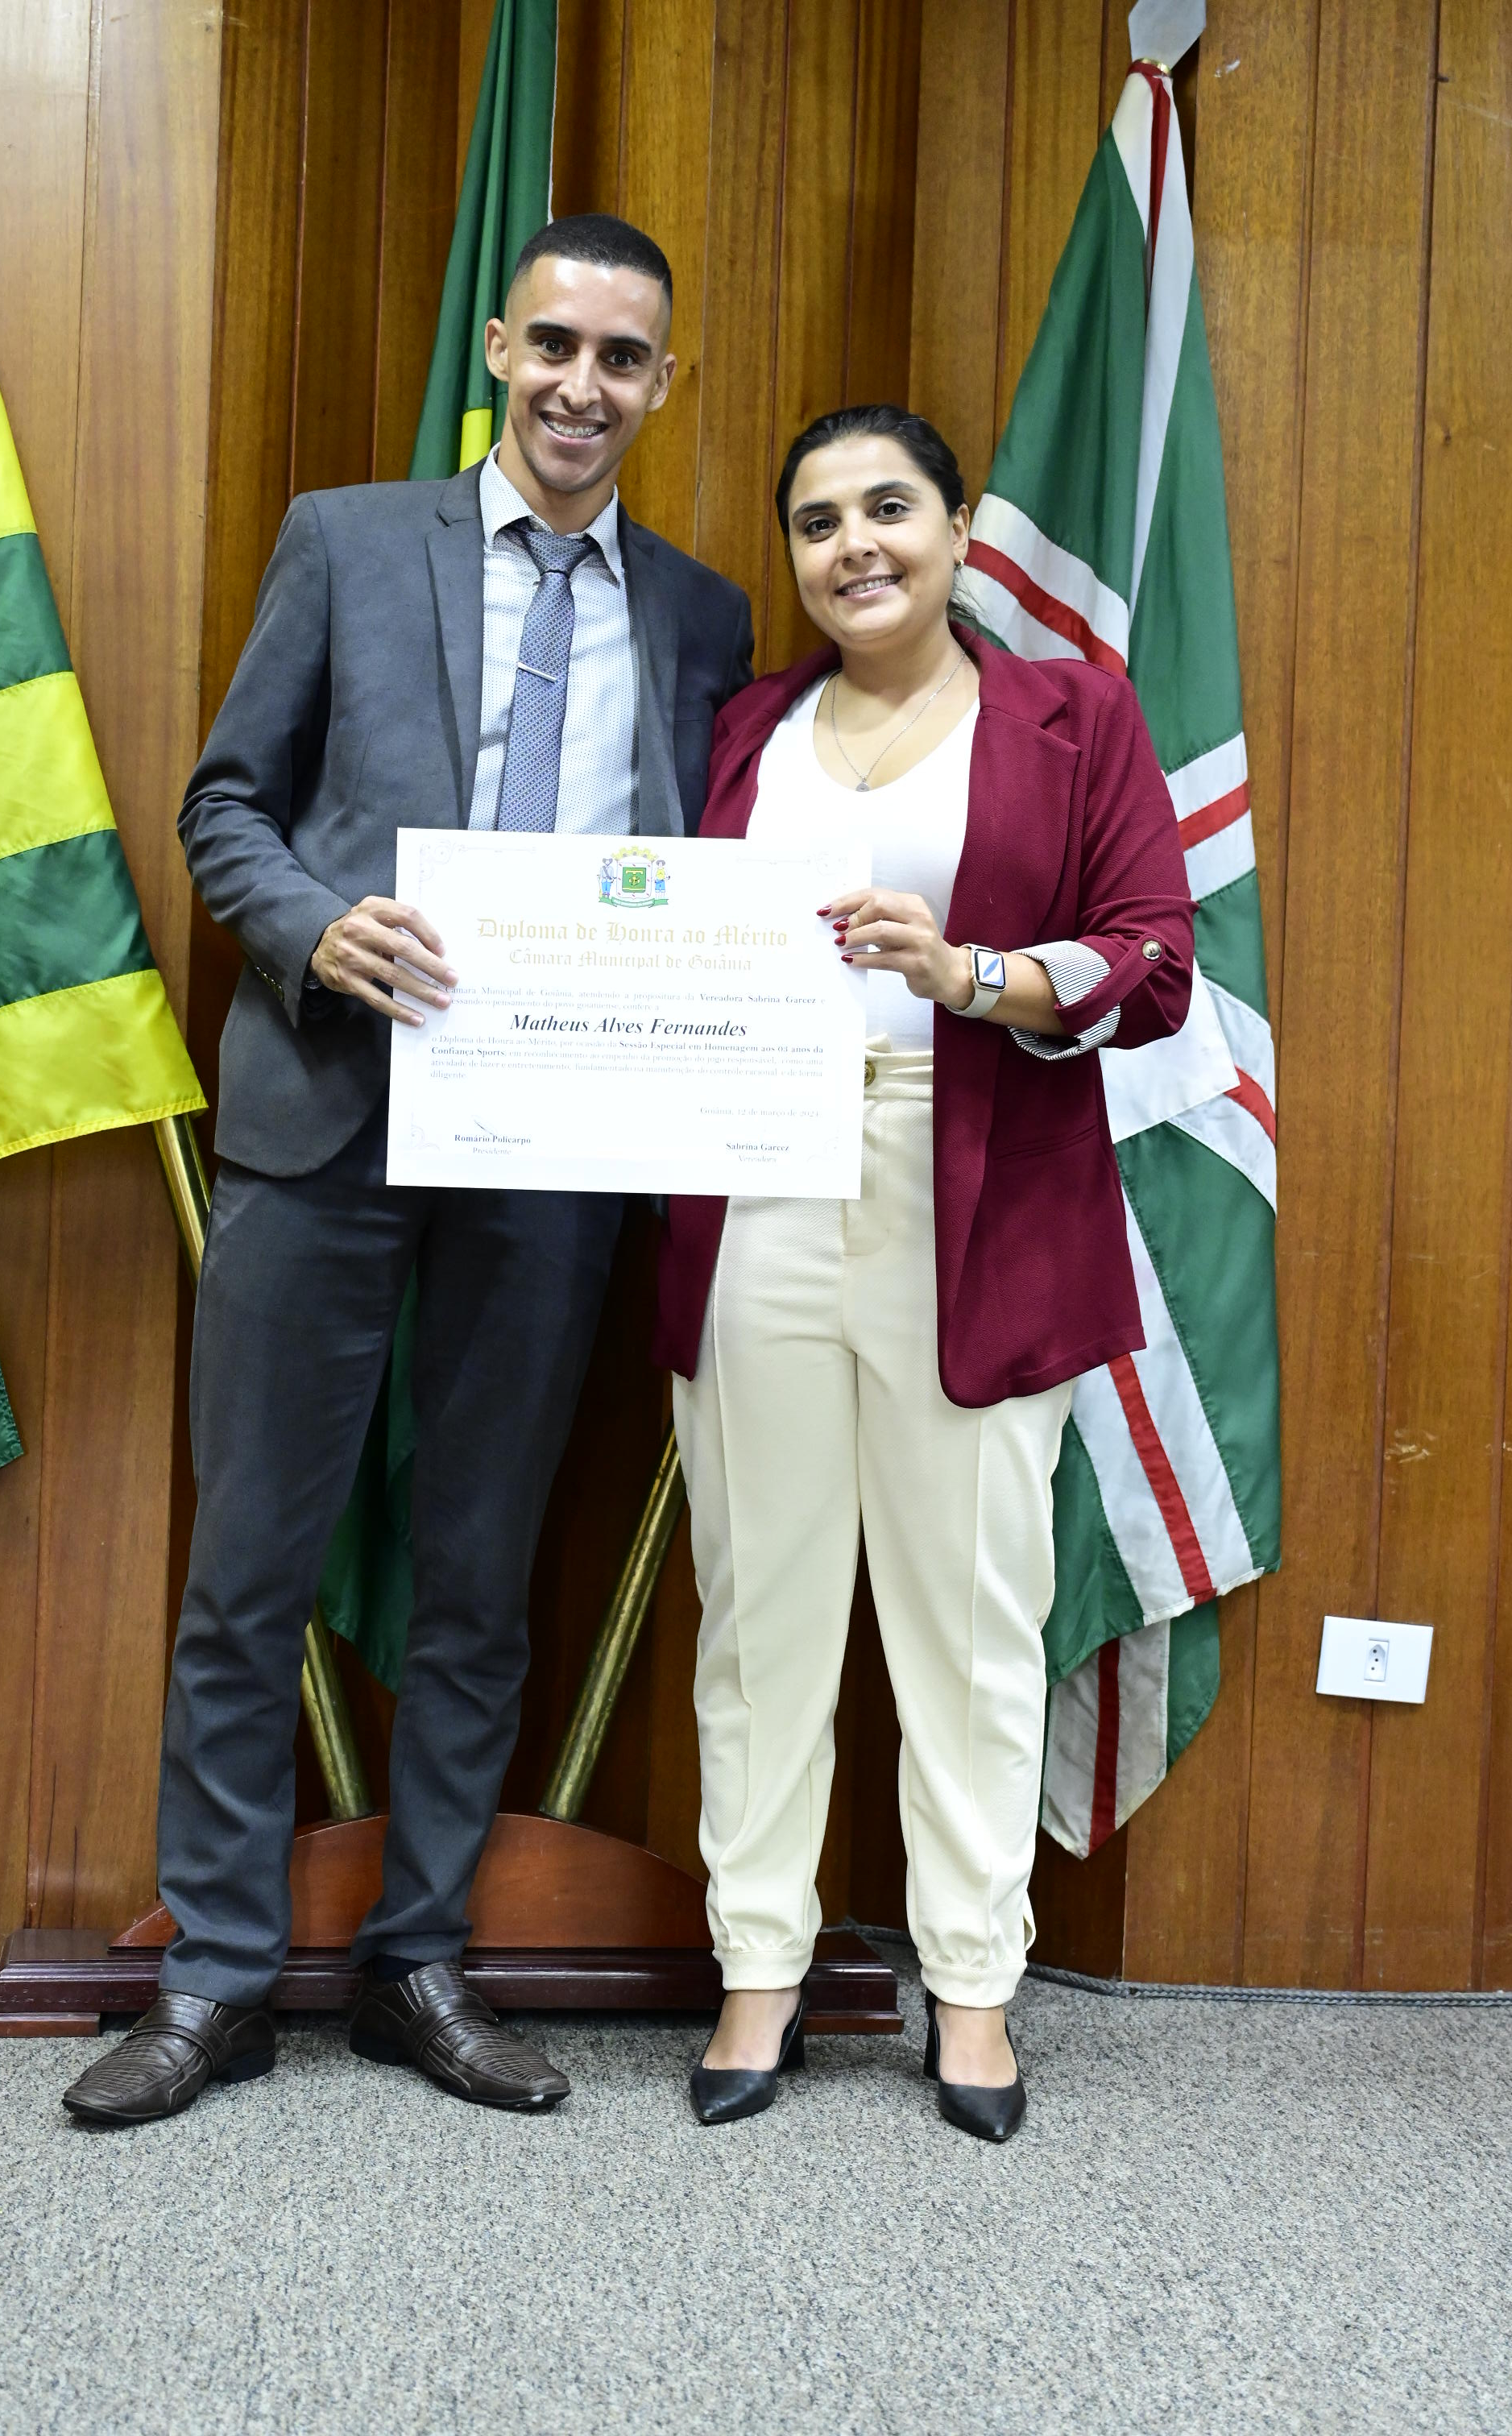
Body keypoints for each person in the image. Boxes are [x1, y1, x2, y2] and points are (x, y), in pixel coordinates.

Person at [64, 215, 755, 2129]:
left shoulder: (702, 618)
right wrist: (312, 929)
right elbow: (225, 805)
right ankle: (214, 1980)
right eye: (556, 345)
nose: (583, 388)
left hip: (555, 1155)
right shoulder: (348, 542)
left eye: (623, 359)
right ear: (502, 348)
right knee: (250, 1567)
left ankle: (420, 1962)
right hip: (327, 1117)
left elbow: (702, 880)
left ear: (664, 385)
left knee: (480, 1575)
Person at [653, 404, 1192, 2140]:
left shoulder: (1074, 715)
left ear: (960, 530)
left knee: (970, 1618)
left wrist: (970, 974)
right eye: (818, 523)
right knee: (761, 1609)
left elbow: (1155, 965)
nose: (855, 546)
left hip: (976, 1191)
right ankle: (759, 1968)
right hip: (756, 1182)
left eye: (889, 508)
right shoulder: (746, 729)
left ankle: (971, 1989)